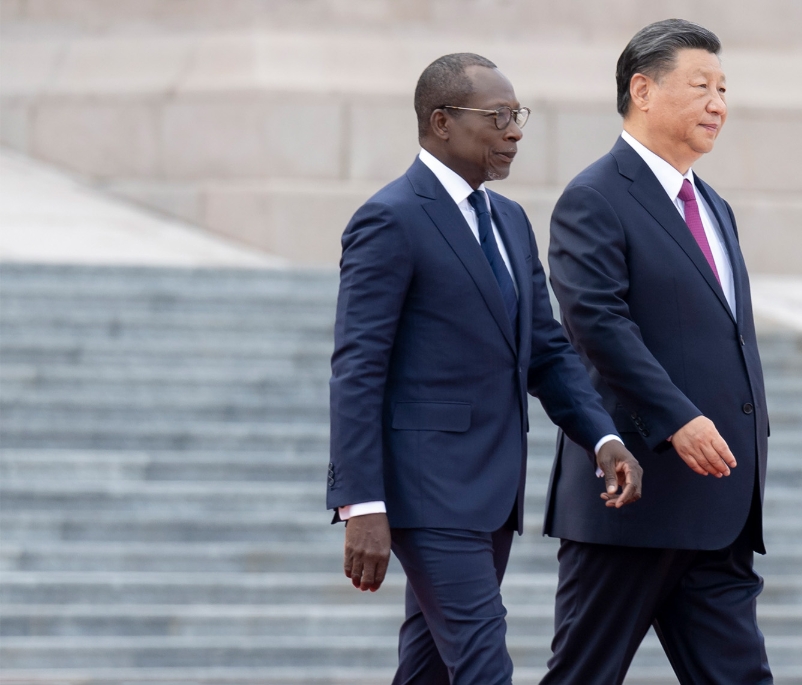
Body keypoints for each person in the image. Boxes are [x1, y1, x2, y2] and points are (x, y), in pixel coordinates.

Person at [327, 53, 642, 685]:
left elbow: (546, 349)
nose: (516, 132)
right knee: (482, 665)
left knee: (428, 670)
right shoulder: (390, 218)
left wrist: (602, 436)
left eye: (517, 115)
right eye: (498, 117)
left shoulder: (510, 221)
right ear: (441, 122)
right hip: (427, 493)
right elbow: (357, 369)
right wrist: (361, 503)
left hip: (492, 493)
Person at [540, 20, 772, 684]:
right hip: (634, 501)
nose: (718, 104)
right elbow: (597, 323)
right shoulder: (594, 197)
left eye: (723, 90)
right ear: (642, 90)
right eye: (701, 86)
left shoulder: (715, 206)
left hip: (719, 505)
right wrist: (675, 418)